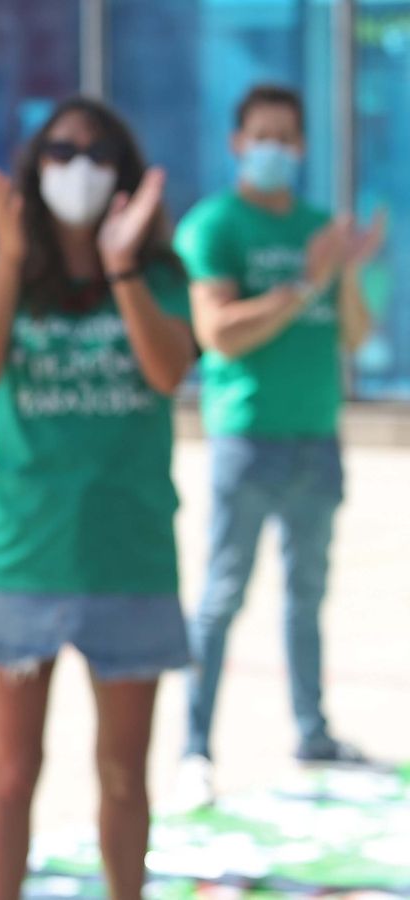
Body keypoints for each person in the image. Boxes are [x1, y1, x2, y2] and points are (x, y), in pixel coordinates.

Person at [0, 98, 197, 900]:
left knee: (125, 775)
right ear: (35, 168)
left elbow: (168, 373)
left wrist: (122, 266)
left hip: (129, 548)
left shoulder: (160, 274)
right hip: (24, 552)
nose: (78, 167)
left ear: (124, 175)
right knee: (12, 772)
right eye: (60, 150)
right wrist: (14, 261)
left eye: (96, 152)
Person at [173, 84, 384, 808]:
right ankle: (193, 747)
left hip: (317, 436)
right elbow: (219, 333)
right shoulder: (214, 225)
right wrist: (303, 281)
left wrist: (346, 270)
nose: (276, 149)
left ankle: (312, 731)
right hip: (247, 435)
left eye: (288, 138)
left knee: (307, 597)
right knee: (222, 596)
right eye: (262, 134)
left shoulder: (321, 227)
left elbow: (355, 335)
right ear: (237, 142)